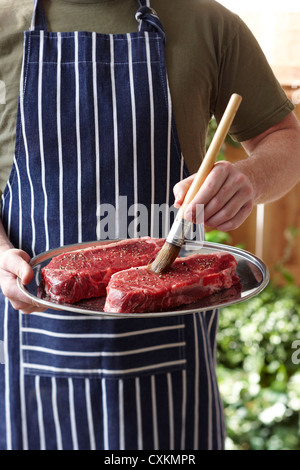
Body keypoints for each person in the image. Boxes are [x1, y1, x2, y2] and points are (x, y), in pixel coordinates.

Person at [0, 0, 299, 451]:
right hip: (33, 348)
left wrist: (251, 180)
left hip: (170, 361)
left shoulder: (209, 25)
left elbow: (286, 140)